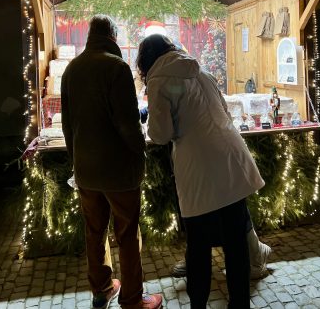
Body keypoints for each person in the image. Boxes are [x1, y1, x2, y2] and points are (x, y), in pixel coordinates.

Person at [136, 34, 265, 309]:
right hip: (232, 158)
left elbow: (160, 134)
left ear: (146, 61)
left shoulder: (159, 79)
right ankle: (240, 304)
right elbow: (225, 113)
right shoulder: (200, 69)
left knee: (198, 245)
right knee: (236, 242)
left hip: (198, 168)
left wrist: (148, 123)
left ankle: (198, 306)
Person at [61, 15, 162, 309]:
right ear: (113, 36)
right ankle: (132, 298)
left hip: (86, 170)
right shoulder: (116, 68)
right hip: (118, 171)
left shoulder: (71, 69)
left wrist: (76, 160)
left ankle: (102, 288)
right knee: (127, 234)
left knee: (94, 232)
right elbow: (128, 124)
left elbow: (68, 126)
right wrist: (140, 153)